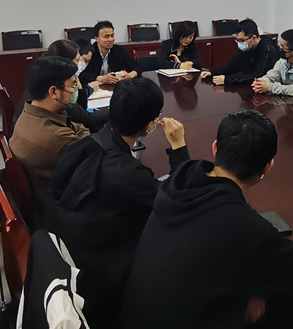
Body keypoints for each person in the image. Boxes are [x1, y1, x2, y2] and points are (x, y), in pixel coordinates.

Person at [121, 110, 293, 329]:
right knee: (287, 305)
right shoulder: (246, 225)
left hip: (130, 317)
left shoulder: (176, 184)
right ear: (268, 166)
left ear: (215, 147)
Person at [49, 78, 174, 329]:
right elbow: (176, 204)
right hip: (103, 279)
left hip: (71, 255)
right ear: (150, 125)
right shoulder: (129, 173)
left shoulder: (82, 145)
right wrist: (179, 148)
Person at [9, 56, 90, 208]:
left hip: (44, 188)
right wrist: (82, 132)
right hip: (59, 205)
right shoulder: (57, 137)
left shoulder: (30, 112)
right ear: (54, 91)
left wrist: (80, 131)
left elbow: (78, 127)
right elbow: (89, 149)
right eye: (73, 84)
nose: (75, 90)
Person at [14, 39, 109, 132]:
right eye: (77, 60)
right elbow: (85, 119)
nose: (80, 63)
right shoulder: (58, 92)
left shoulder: (44, 79)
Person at [200, 18, 280, 86]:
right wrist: (212, 72)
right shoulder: (247, 48)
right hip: (248, 88)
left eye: (241, 40)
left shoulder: (268, 50)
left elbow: (259, 76)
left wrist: (227, 80)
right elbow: (233, 65)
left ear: (254, 37)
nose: (239, 43)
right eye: (237, 40)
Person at [79, 20, 140, 85]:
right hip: (94, 87)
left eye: (112, 36)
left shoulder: (118, 50)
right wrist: (100, 78)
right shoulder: (90, 52)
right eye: (106, 36)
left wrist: (131, 74)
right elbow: (81, 75)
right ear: (96, 38)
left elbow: (136, 67)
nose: (111, 39)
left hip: (115, 86)